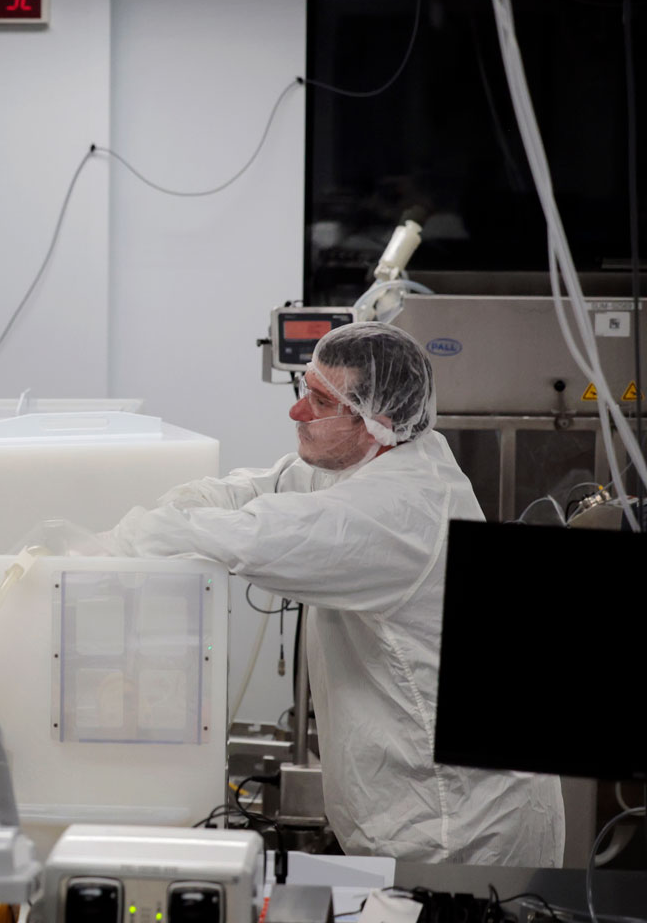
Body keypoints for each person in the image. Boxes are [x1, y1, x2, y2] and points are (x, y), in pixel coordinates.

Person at [87, 322, 564, 865]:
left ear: (376, 421)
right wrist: (184, 501)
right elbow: (259, 489)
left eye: (319, 400)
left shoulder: (401, 509)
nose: (296, 412)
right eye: (303, 390)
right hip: (414, 806)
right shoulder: (366, 459)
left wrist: (113, 545)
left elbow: (261, 536)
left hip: (458, 824)